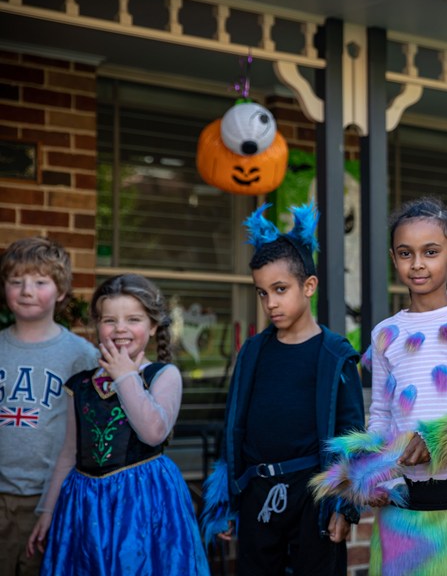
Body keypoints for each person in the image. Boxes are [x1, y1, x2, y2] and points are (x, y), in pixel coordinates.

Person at [335, 197, 447, 575]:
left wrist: (439, 439)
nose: (417, 264)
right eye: (405, 253)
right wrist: (378, 472)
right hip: (406, 513)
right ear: (393, 259)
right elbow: (380, 415)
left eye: (430, 252)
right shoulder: (384, 334)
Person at [200, 203, 365, 575]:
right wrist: (226, 499)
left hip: (313, 497)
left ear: (308, 286)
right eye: (261, 293)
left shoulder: (335, 355)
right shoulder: (253, 352)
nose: (270, 302)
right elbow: (233, 429)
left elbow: (351, 435)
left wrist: (344, 506)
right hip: (258, 495)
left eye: (279, 289)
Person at [26, 273, 209, 575]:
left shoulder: (163, 376)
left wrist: (125, 376)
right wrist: (48, 511)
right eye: (109, 320)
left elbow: (153, 432)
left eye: (133, 319)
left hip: (144, 502)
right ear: (96, 326)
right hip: (85, 504)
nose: (120, 328)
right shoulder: (81, 384)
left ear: (152, 327)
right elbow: (68, 453)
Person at [0, 238, 98, 576]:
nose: (26, 290)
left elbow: (85, 436)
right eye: (16, 281)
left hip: (49, 498)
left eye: (40, 282)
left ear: (60, 291)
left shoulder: (81, 355)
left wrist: (53, 505)